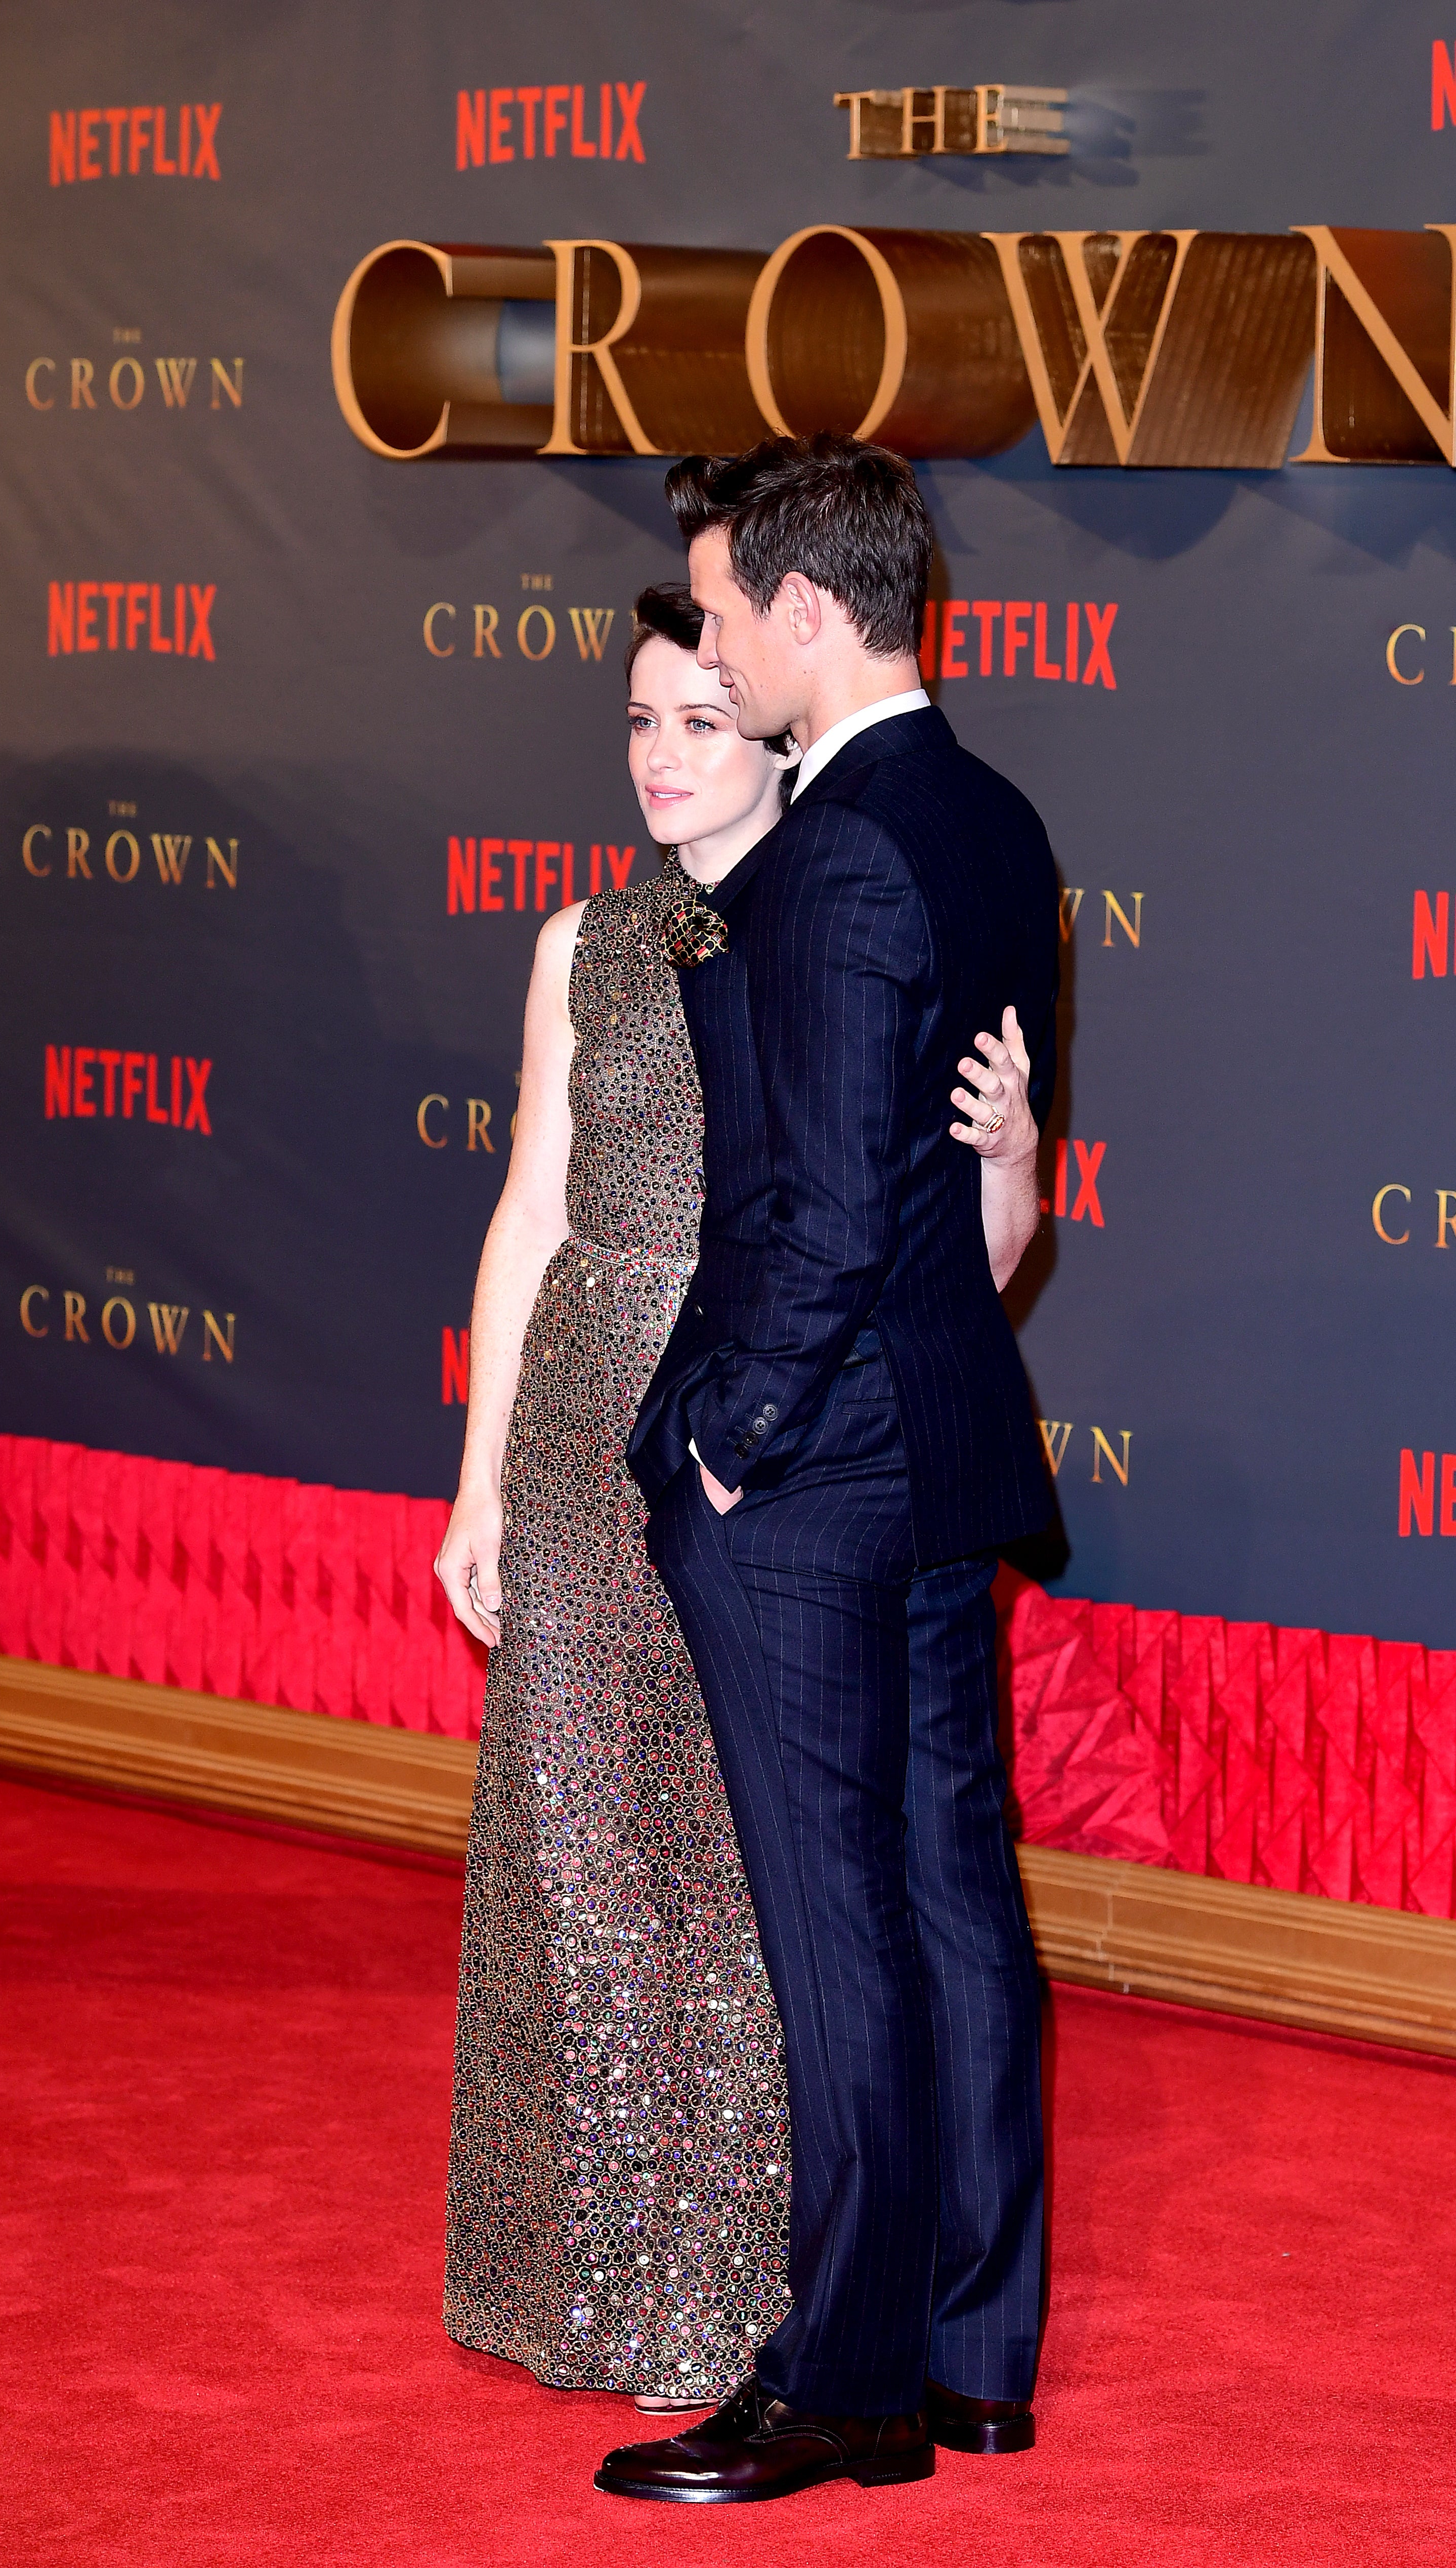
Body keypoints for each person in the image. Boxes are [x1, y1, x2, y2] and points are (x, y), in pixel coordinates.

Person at [434, 581, 1043, 2423]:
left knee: (767, 1888)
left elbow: (961, 1266)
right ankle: (598, 2282)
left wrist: (1016, 1152)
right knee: (589, 1861)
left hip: (768, 1457)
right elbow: (532, 1207)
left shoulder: (837, 912)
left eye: (701, 717)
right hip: (575, 1439)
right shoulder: (578, 945)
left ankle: (774, 2296)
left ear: (776, 725)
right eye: (637, 723)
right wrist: (477, 1474)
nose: (662, 758)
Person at [601, 436, 1061, 2507]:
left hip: (820, 1473)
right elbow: (965, 1184)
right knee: (957, 1898)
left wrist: (728, 1441)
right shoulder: (996, 822)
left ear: (801, 613)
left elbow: (823, 1208)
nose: (705, 644)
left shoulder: (843, 850)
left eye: (713, 610)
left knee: (844, 1919)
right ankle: (974, 2353)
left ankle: (854, 2373)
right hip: (946, 1442)